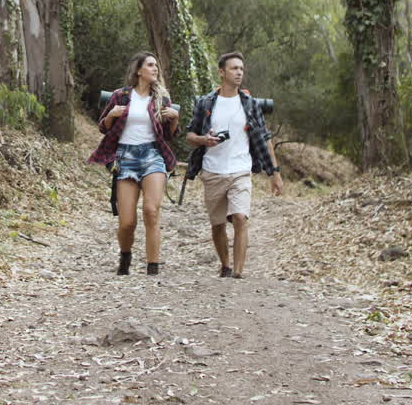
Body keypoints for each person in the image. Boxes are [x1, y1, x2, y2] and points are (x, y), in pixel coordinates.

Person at [184, 51, 284, 278]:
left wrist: (274, 173)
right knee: (218, 224)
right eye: (234, 68)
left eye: (241, 68)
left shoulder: (250, 104)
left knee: (240, 218)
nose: (239, 72)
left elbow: (264, 139)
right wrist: (203, 140)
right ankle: (226, 265)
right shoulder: (205, 102)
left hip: (241, 170)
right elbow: (189, 135)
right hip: (213, 170)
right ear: (221, 72)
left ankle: (238, 273)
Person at [87, 52, 180, 275]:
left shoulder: (161, 100)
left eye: (156, 65)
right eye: (150, 65)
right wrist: (112, 115)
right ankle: (125, 255)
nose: (155, 69)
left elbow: (169, 136)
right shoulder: (120, 96)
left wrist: (175, 118)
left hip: (152, 155)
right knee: (127, 221)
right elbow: (103, 127)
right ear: (139, 70)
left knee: (151, 210)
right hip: (125, 157)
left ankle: (153, 266)